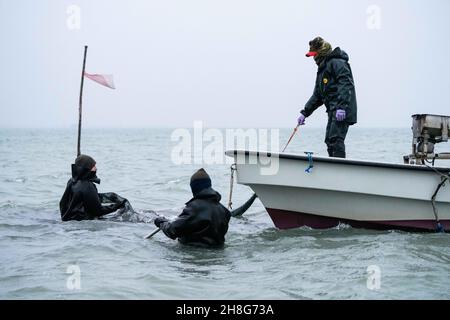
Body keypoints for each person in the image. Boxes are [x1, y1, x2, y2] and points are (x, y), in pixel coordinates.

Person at [154, 168, 257, 247]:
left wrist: (161, 222)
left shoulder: (194, 208)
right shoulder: (224, 211)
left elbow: (172, 231)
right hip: (218, 254)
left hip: (194, 255)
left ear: (194, 188)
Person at [298, 36, 357, 158]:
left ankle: (339, 169)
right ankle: (333, 166)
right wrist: (305, 112)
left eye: (314, 54)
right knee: (329, 140)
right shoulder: (322, 69)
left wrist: (341, 107)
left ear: (321, 51)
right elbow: (318, 95)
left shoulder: (337, 62)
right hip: (332, 109)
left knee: (335, 139)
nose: (313, 58)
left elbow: (345, 84)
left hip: (342, 109)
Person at [59, 154, 126, 221]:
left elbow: (62, 203)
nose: (96, 168)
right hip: (83, 222)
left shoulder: (71, 181)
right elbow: (98, 211)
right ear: (87, 169)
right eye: (93, 166)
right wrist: (117, 206)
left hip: (67, 218)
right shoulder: (88, 186)